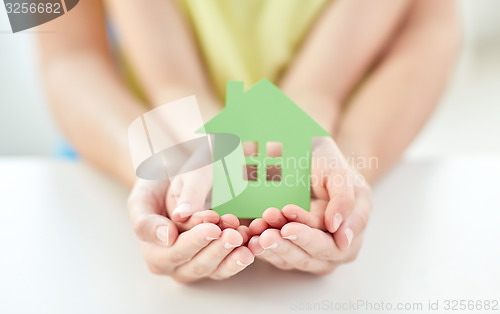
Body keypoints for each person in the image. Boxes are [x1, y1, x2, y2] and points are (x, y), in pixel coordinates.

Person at [38, 0, 461, 283]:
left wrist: (349, 166)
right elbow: (66, 55)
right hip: (124, 159)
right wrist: (158, 160)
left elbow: (436, 22)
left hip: (361, 140)